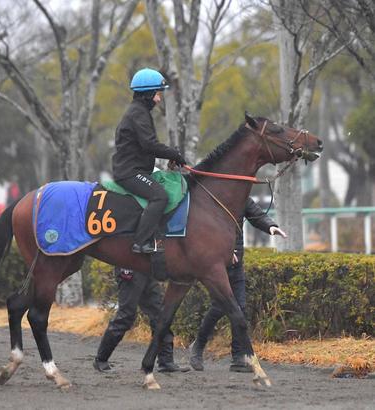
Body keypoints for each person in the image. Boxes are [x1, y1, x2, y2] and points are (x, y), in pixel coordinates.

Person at [189, 197, 287, 373]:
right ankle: (198, 345)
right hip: (216, 264)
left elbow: (256, 215)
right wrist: (224, 250)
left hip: (237, 264)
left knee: (239, 309)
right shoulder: (211, 197)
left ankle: (238, 358)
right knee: (220, 307)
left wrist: (270, 226)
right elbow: (204, 230)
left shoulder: (240, 194)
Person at [112, 68, 186, 254]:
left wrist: (171, 155)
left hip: (137, 170)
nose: (159, 99)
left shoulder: (140, 111)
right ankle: (140, 242)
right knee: (160, 196)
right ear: (147, 94)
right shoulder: (138, 113)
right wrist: (174, 154)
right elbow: (150, 144)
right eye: (157, 94)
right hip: (130, 173)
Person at [93, 267, 190, 373]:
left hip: (146, 268)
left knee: (160, 315)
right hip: (129, 267)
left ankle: (166, 361)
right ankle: (101, 360)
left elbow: (154, 249)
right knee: (126, 315)